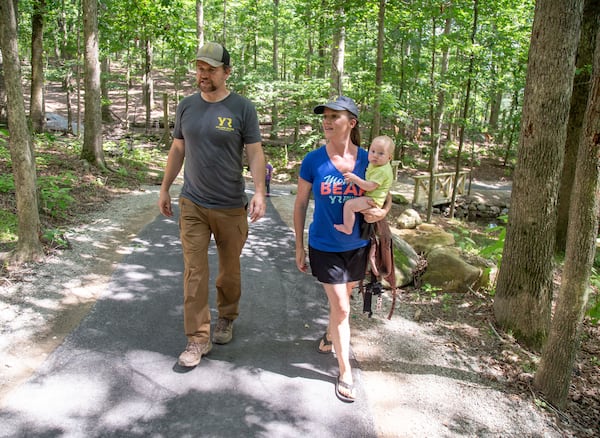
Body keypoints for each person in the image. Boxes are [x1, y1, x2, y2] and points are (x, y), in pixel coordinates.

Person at [158, 42, 267, 368]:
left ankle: (228, 316)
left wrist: (260, 191)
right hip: (193, 202)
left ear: (226, 72)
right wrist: (165, 188)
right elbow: (178, 149)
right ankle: (197, 338)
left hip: (231, 205)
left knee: (229, 273)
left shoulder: (242, 108)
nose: (203, 75)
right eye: (200, 68)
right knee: (194, 272)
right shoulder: (187, 106)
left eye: (211, 69)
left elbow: (255, 152)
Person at [293, 96, 390, 402]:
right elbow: (300, 204)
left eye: (335, 116)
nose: (327, 120)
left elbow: (385, 194)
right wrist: (298, 244)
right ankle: (345, 370)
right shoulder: (313, 160)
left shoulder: (370, 158)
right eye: (325, 116)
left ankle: (329, 335)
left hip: (359, 245)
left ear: (351, 123)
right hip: (324, 244)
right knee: (344, 308)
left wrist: (384, 211)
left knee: (342, 302)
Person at [334, 135, 395, 234]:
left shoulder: (381, 170)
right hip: (371, 198)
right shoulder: (375, 163)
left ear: (389, 157)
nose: (375, 155)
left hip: (373, 200)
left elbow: (370, 187)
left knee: (349, 205)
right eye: (373, 151)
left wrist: (354, 178)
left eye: (381, 153)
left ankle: (347, 228)